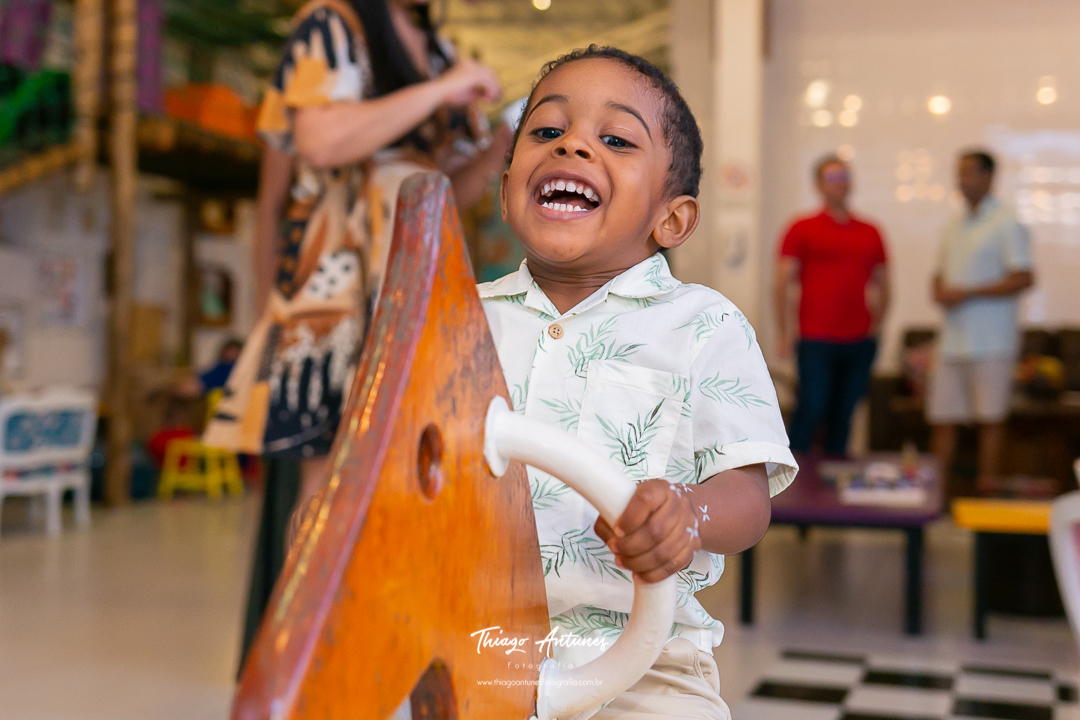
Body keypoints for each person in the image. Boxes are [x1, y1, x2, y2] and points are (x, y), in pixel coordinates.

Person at [481, 46, 797, 719]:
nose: (572, 147)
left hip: (645, 660)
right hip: (472, 644)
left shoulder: (703, 325)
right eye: (546, 131)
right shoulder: (458, 321)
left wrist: (690, 514)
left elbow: (746, 493)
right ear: (508, 189)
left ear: (672, 219)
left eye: (615, 139)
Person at [218, 0, 509, 671]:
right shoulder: (333, 23)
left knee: (400, 482)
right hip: (332, 294)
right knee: (327, 489)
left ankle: (370, 648)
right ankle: (316, 662)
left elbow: (439, 184)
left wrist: (496, 149)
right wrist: (444, 87)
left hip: (405, 289)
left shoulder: (431, 47)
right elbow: (319, 142)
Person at [928, 150, 1034, 491]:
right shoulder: (953, 224)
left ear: (989, 177)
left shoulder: (1006, 221)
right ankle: (936, 502)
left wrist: (969, 293)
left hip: (992, 342)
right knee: (943, 419)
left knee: (990, 420)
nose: (962, 180)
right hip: (953, 341)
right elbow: (940, 276)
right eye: (958, 173)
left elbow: (1023, 277)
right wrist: (940, 289)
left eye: (969, 173)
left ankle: (985, 499)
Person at [774, 155, 890, 457]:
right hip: (815, 338)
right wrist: (784, 332)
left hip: (858, 340)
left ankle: (831, 486)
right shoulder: (801, 228)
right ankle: (791, 480)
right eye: (833, 178)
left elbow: (884, 284)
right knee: (812, 407)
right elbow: (782, 283)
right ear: (819, 185)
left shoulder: (870, 231)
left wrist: (877, 327)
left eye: (844, 177)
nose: (840, 184)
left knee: (844, 414)